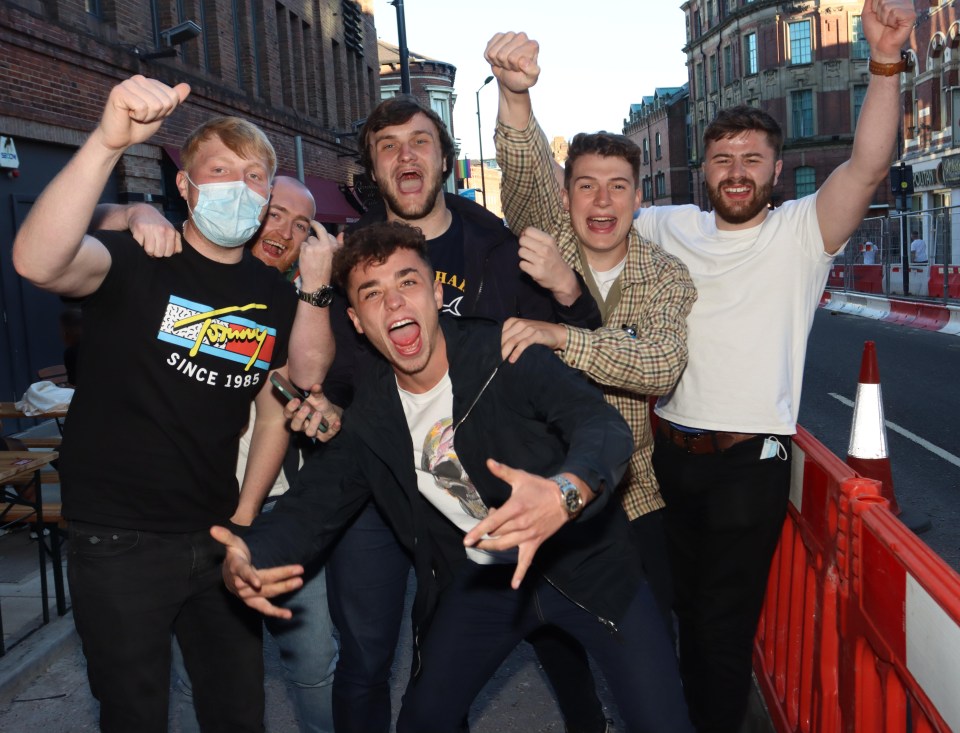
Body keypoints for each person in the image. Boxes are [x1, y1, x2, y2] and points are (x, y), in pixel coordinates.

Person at [214, 221, 695, 733]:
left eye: (408, 282)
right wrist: (249, 554)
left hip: (588, 569)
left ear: (437, 293)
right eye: (372, 293)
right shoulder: (373, 414)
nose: (394, 304)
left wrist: (565, 491)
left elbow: (601, 425)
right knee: (423, 720)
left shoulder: (504, 355)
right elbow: (313, 503)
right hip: (483, 581)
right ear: (355, 321)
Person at [626, 2, 911, 731]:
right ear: (704, 169)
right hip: (667, 456)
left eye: (752, 159)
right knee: (683, 620)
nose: (737, 171)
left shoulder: (801, 232)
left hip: (748, 466)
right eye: (722, 159)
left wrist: (884, 63)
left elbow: (870, 162)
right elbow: (588, 217)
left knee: (720, 638)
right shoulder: (669, 226)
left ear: (777, 169)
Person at [301, 94, 608, 733]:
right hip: (376, 479)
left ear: (444, 157)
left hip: (479, 476)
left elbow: (575, 346)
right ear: (373, 169)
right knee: (370, 658)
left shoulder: (494, 245)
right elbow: (324, 369)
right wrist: (325, 399)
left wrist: (568, 289)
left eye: (419, 141)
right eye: (388, 146)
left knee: (536, 633)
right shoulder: (348, 260)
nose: (405, 155)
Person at [12, 75, 304, 733]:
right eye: (219, 170)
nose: (238, 185)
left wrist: (245, 516)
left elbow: (275, 406)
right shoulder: (138, 260)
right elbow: (36, 261)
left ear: (266, 195)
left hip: (215, 536)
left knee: (239, 712)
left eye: (254, 175)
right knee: (134, 715)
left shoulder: (272, 294)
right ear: (185, 186)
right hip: (117, 540)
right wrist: (108, 142)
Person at [99, 176, 343, 733]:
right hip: (188, 516)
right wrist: (138, 213)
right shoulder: (179, 270)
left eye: (301, 225)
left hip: (273, 513)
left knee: (310, 661)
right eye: (275, 213)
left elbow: (303, 381)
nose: (283, 231)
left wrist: (316, 288)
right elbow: (89, 222)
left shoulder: (295, 303)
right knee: (197, 675)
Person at [486, 31, 697, 633]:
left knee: (653, 642)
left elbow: (659, 365)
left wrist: (562, 337)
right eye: (586, 185)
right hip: (549, 489)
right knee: (559, 640)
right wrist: (515, 94)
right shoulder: (546, 235)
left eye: (618, 186)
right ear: (568, 194)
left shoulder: (665, 275)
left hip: (635, 497)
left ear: (638, 195)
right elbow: (524, 173)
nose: (601, 202)